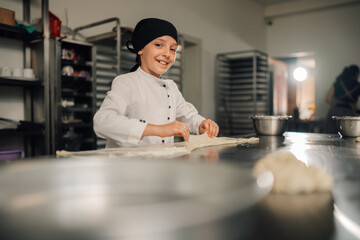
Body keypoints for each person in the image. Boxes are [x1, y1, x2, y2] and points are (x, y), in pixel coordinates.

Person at [93, 18, 219, 148]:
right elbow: (103, 122)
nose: (167, 54)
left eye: (173, 49)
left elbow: (189, 116)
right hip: (128, 165)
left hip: (161, 164)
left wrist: (201, 124)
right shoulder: (126, 82)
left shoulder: (171, 88)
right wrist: (159, 130)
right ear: (140, 48)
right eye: (159, 45)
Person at [325, 64, 360, 133]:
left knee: (329, 135)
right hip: (349, 114)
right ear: (356, 74)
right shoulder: (358, 86)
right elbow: (354, 105)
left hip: (334, 111)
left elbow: (328, 98)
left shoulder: (338, 82)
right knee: (347, 137)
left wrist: (336, 104)